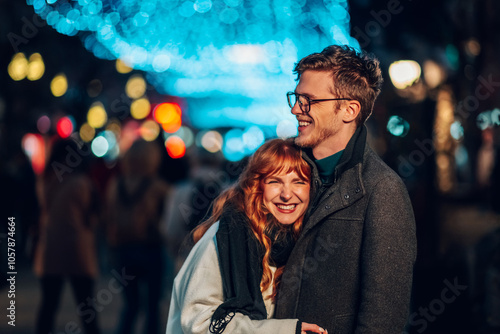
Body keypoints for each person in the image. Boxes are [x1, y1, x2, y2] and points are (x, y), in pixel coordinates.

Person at [273, 45, 417, 333]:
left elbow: (382, 319)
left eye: (308, 100)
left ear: (349, 110)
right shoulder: (285, 175)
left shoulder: (383, 191)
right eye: (296, 97)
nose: (294, 108)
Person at [166, 139, 326, 334]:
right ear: (258, 186)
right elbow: (199, 323)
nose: (286, 194)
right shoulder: (226, 236)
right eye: (275, 181)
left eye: (299, 182)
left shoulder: (301, 240)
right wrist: (284, 330)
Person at [33, 139, 100, 334]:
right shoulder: (83, 183)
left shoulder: (44, 180)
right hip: (78, 249)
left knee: (49, 305)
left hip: (50, 248)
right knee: (86, 305)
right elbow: (92, 216)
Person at [106, 139, 170, 334]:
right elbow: (169, 220)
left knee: (131, 305)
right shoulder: (158, 186)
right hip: (150, 248)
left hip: (122, 249)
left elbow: (107, 216)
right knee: (152, 306)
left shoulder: (115, 184)